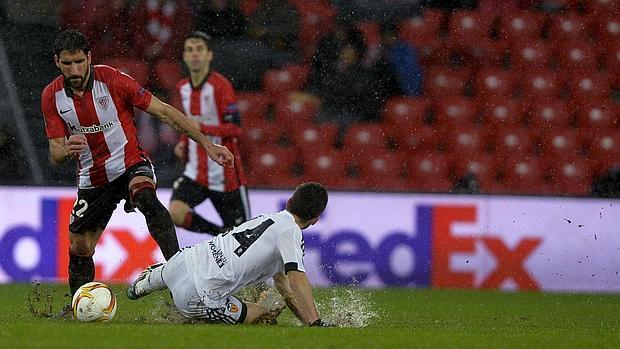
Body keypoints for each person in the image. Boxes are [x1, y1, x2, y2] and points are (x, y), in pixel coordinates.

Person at [40, 29, 234, 299]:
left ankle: (182, 281)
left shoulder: (113, 80)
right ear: (56, 62)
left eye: (79, 62)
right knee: (80, 246)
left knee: (144, 195)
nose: (74, 69)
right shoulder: (51, 96)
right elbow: (55, 153)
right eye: (67, 63)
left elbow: (165, 112)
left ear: (89, 58)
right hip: (93, 177)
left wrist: (207, 144)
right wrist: (66, 149)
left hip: (131, 162)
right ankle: (78, 305)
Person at [127, 182, 332, 326]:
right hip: (196, 296)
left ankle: (144, 283)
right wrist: (315, 322)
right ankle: (192, 308)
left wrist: (305, 319)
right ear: (315, 219)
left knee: (146, 286)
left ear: (289, 201)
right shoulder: (291, 232)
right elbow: (295, 280)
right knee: (264, 316)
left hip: (180, 261)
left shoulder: (266, 219)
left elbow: (284, 286)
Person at [169, 31, 250, 236]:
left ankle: (229, 235)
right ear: (185, 56)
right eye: (189, 50)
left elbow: (235, 129)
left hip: (226, 175)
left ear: (209, 55)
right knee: (175, 213)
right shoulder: (182, 88)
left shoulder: (221, 86)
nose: (194, 54)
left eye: (199, 49)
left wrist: (202, 129)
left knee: (244, 239)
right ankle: (218, 233)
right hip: (195, 173)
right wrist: (183, 142)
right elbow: (186, 122)